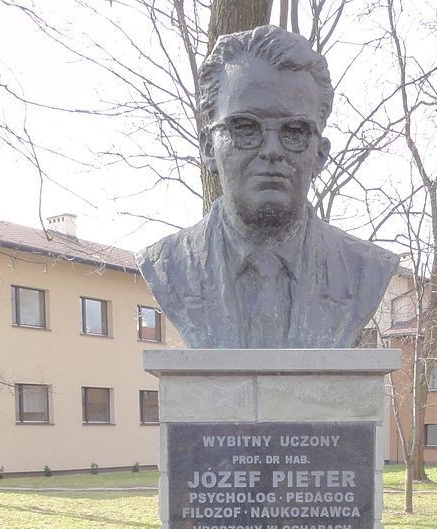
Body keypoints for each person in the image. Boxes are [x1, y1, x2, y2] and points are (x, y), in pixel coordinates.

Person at [137, 25, 398, 349]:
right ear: (208, 148)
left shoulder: (364, 270)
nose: (272, 150)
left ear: (319, 154)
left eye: (295, 131)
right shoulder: (169, 266)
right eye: (245, 127)